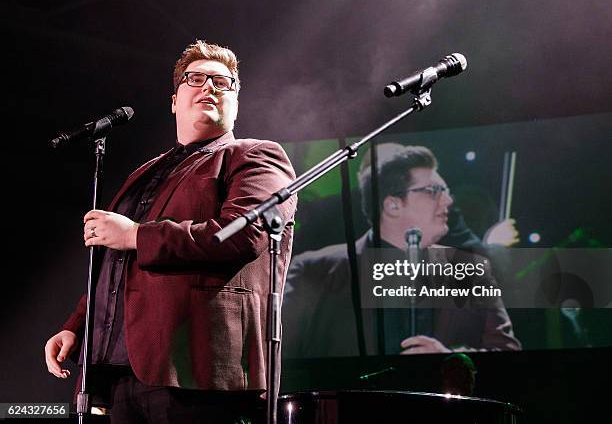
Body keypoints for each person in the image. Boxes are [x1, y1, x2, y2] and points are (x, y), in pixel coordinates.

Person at [44, 40, 297, 423]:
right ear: (175, 100)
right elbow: (115, 266)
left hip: (197, 371)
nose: (209, 86)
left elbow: (241, 234)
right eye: (196, 78)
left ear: (236, 103)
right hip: (122, 375)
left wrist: (135, 235)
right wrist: (76, 327)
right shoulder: (143, 174)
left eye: (222, 82)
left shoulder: (255, 155)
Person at [283, 143, 520, 358]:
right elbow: (284, 357)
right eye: (434, 191)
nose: (448, 201)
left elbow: (507, 353)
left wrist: (450, 359)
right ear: (392, 205)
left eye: (446, 192)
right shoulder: (315, 269)